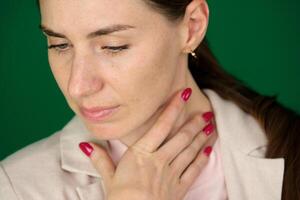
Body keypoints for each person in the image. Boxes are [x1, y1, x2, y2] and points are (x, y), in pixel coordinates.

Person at [0, 0, 299, 199]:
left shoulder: (290, 148)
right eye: (60, 45)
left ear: (192, 27)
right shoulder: (14, 187)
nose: (78, 86)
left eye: (113, 46)